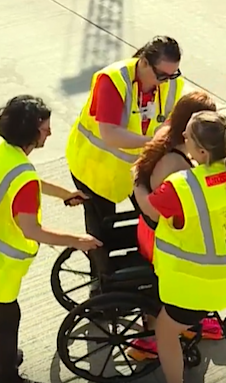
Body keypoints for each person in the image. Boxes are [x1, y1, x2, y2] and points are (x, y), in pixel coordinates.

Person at [0, 95, 102, 383]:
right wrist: (78, 240)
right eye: (45, 128)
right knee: (6, 321)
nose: (50, 132)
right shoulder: (21, 175)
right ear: (30, 132)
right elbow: (32, 230)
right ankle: (6, 375)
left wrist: (65, 194)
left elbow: (27, 181)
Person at [135, 111, 226, 383]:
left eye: (186, 136)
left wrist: (137, 184)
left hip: (197, 288)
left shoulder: (181, 187)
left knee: (166, 331)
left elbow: (150, 210)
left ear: (200, 150)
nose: (183, 139)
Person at [65, 35, 184, 274]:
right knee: (100, 232)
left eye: (173, 75)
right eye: (161, 75)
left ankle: (145, 272)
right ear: (144, 63)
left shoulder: (170, 83)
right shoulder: (113, 80)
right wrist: (152, 143)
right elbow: (109, 134)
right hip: (95, 167)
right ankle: (101, 282)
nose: (166, 82)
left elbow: (170, 119)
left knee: (151, 217)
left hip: (136, 166)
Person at [126, 90, 220, 361]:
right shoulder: (178, 165)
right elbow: (164, 211)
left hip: (145, 230)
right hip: (159, 239)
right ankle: (183, 324)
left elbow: (137, 178)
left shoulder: (163, 136)